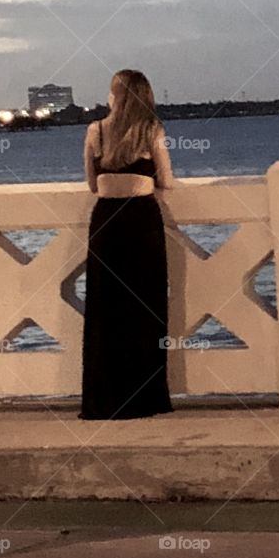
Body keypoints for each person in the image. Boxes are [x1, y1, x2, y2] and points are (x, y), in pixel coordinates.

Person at [79, 69, 175, 420]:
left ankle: (105, 397)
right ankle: (144, 396)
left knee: (106, 309)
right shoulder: (151, 131)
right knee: (144, 306)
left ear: (115, 95)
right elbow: (165, 179)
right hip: (140, 222)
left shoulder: (96, 131)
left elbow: (92, 184)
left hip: (106, 223)